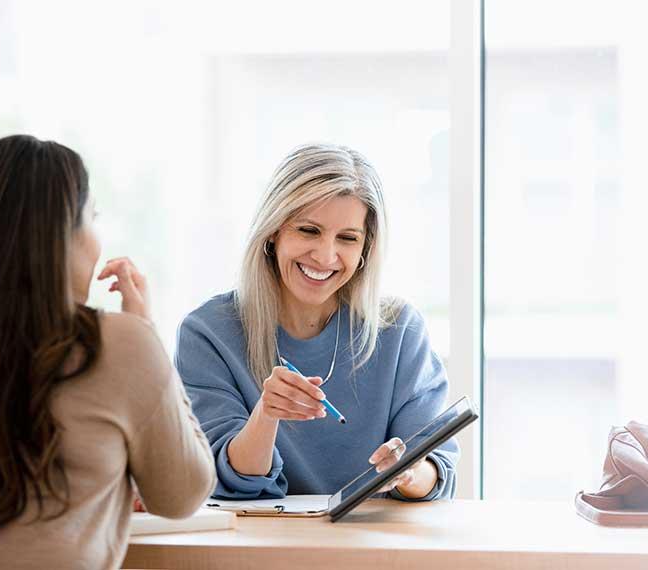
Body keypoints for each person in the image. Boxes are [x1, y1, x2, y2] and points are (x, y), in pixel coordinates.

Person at [0, 135, 216, 569]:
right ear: (61, 235)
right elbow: (181, 495)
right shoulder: (120, 343)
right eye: (92, 217)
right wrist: (145, 333)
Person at [175, 143, 458, 500]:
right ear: (274, 231)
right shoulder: (208, 334)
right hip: (259, 548)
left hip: (378, 547)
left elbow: (437, 471)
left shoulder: (400, 330)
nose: (325, 256)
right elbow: (229, 480)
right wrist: (266, 414)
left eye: (347, 238)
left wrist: (409, 470)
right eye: (308, 231)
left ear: (366, 249)